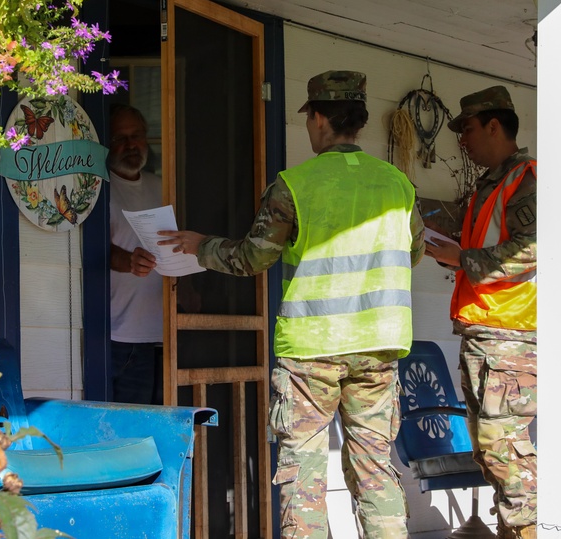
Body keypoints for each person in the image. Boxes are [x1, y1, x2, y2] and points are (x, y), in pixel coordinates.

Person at [158, 71, 425, 539]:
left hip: (312, 352)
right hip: (380, 348)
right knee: (375, 469)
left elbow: (250, 258)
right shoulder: (398, 185)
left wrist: (201, 245)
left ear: (320, 118)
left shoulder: (295, 185)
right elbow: (415, 250)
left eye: (310, 118)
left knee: (303, 477)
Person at [425, 85, 537, 539]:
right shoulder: (489, 185)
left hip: (509, 335)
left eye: (467, 129)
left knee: (504, 451)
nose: (462, 141)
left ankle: (528, 531)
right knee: (490, 451)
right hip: (484, 332)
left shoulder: (525, 178)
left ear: (495, 125)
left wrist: (461, 258)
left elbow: (529, 253)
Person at [107, 104, 164, 404]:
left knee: (158, 436)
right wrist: (129, 261)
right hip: (116, 336)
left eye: (137, 136)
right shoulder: (98, 189)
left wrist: (190, 290)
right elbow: (96, 250)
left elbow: (176, 243)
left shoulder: (164, 187)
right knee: (121, 437)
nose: (130, 145)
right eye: (120, 138)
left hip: (162, 336)